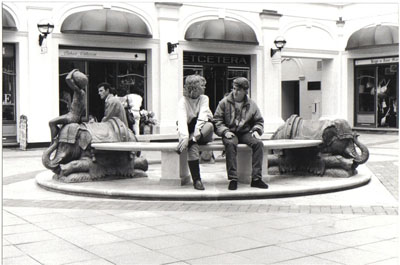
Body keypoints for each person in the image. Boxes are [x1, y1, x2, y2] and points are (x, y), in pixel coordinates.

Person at [213, 77, 269, 190]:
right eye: (234, 89)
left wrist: (256, 130)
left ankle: (256, 179)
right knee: (230, 144)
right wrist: (225, 131)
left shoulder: (252, 104)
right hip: (230, 132)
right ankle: (233, 179)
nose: (235, 92)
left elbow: (259, 120)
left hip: (245, 132)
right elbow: (217, 120)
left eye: (239, 90)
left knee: (258, 144)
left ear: (245, 91)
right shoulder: (224, 102)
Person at [176, 75, 214, 190]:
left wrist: (195, 135)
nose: (204, 87)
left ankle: (191, 141)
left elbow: (202, 117)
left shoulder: (204, 98)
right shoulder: (183, 101)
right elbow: (181, 120)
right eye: (202, 85)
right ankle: (197, 180)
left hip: (203, 131)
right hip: (189, 130)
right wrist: (185, 137)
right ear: (195, 88)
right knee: (192, 147)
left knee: (209, 125)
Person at [49, 69, 87, 143]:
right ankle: (58, 135)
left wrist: (73, 70)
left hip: (71, 117)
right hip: (75, 117)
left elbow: (68, 78)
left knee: (51, 122)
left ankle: (53, 142)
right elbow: (84, 109)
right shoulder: (83, 93)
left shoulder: (78, 91)